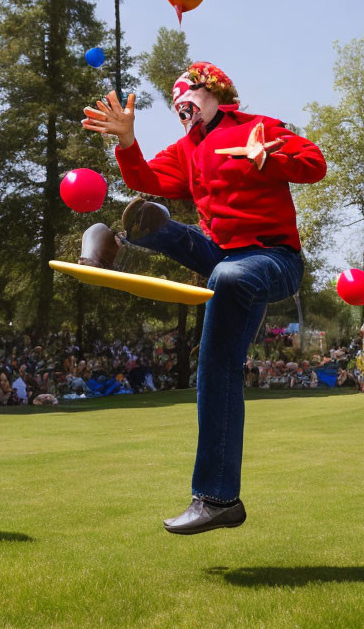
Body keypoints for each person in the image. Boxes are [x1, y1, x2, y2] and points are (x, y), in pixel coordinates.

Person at [80, 61, 326, 534]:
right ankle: (220, 501)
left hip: (273, 260)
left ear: (213, 91)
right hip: (220, 257)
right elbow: (147, 179)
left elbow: (315, 165)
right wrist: (127, 142)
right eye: (174, 103)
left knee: (228, 275)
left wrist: (267, 159)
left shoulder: (260, 127)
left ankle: (213, 495)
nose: (179, 105)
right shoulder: (187, 149)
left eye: (185, 95)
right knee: (213, 367)